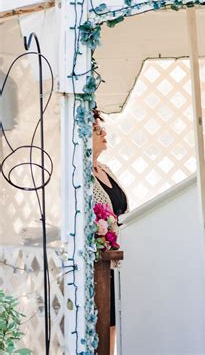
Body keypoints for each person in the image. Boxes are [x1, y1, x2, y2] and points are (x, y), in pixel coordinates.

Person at [92, 108, 128, 355]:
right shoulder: (81, 175)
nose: (104, 132)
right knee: (102, 325)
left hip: (118, 260)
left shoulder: (104, 168)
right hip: (99, 262)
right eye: (96, 130)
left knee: (113, 324)